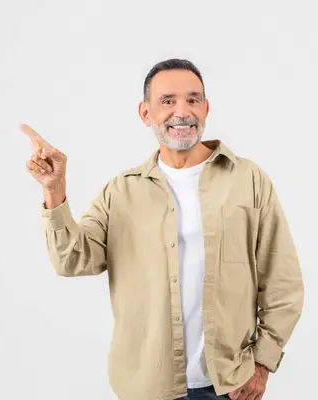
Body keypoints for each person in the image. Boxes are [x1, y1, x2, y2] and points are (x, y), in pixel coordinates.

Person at [22, 59, 304, 400]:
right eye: (167, 101)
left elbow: (282, 282)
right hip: (147, 388)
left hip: (230, 385)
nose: (181, 112)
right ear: (145, 113)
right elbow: (72, 260)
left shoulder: (248, 179)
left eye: (193, 100)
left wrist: (262, 363)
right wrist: (54, 189)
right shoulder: (121, 191)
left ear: (206, 108)